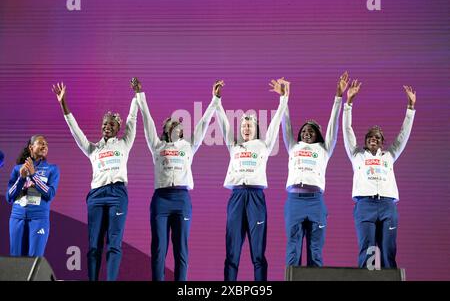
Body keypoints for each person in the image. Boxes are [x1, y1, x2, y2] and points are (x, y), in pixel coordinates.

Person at [133, 78, 220, 281]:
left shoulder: (189, 146)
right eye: (170, 125)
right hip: (161, 200)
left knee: (181, 249)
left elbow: (204, 122)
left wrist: (214, 100)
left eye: (178, 126)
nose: (175, 128)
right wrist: (139, 95)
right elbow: (147, 120)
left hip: (182, 199)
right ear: (165, 131)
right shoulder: (157, 146)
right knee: (159, 248)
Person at [52, 81, 138, 281]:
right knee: (93, 246)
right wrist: (63, 103)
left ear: (118, 127)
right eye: (104, 123)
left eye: (111, 124)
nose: (106, 126)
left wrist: (137, 96)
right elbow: (75, 131)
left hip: (117, 195)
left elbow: (132, 119)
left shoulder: (125, 143)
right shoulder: (93, 149)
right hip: (96, 196)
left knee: (114, 245)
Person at [213, 79, 289, 281]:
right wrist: (217, 100)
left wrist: (283, 98)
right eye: (243, 125)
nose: (246, 128)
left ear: (256, 129)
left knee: (258, 254)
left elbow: (275, 123)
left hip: (256, 197)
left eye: (250, 125)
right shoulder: (234, 146)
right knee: (232, 253)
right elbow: (223, 122)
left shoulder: (263, 145)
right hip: (237, 196)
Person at [343, 82, 416, 269]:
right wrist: (348, 103)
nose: (373, 139)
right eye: (369, 137)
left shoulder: (389, 155)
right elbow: (347, 130)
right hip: (365, 204)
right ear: (365, 141)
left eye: (377, 137)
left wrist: (410, 108)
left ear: (383, 142)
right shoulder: (357, 155)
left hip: (387, 205)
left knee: (387, 250)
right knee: (367, 250)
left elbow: (402, 135)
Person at [280, 73, 348, 267]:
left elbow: (333, 126)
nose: (306, 132)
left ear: (318, 134)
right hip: (294, 201)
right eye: (303, 131)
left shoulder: (324, 149)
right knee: (293, 249)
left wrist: (338, 97)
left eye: (311, 131)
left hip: (315, 201)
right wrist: (284, 98)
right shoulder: (293, 146)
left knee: (315, 250)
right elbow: (286, 122)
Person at [6, 135, 60, 257]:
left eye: (46, 144)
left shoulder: (52, 169)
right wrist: (21, 178)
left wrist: (34, 175)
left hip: (39, 219)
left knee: (33, 261)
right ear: (31, 147)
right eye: (41, 143)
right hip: (17, 218)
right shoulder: (18, 169)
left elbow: (50, 194)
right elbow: (9, 197)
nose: (44, 146)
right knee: (16, 261)